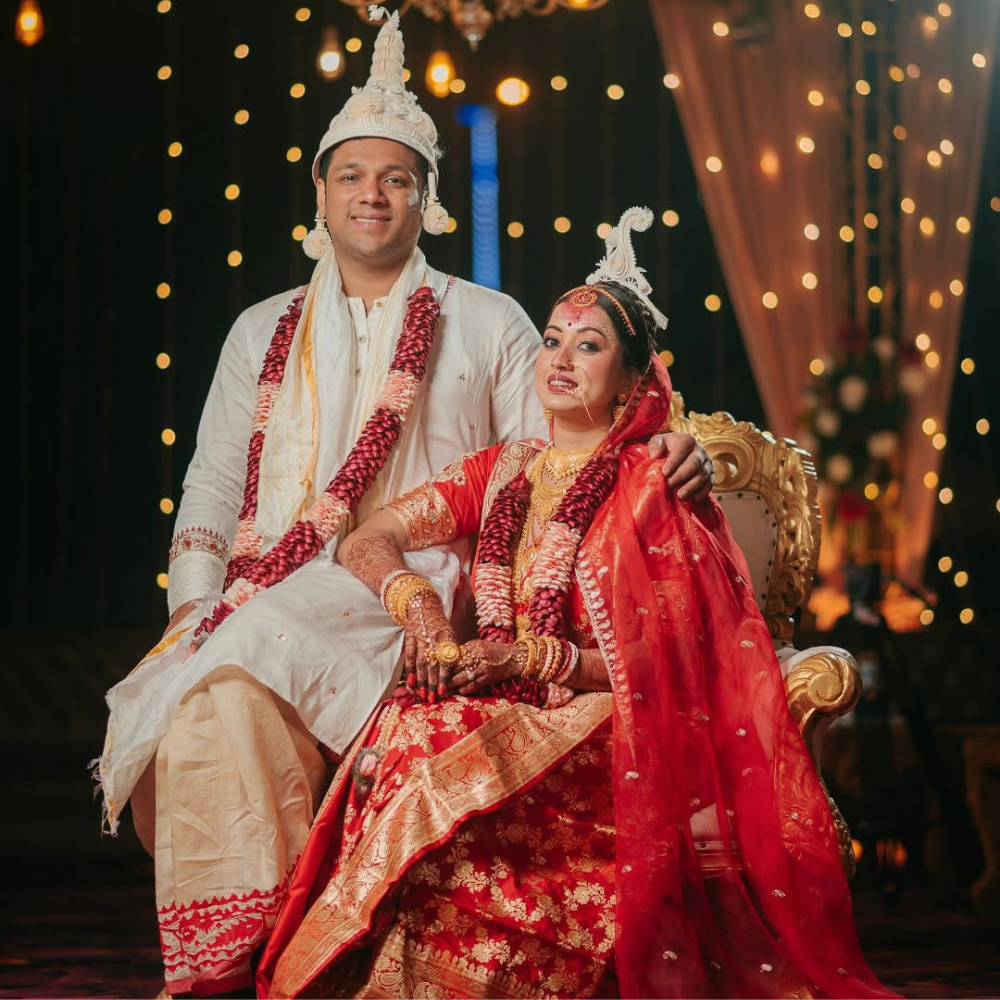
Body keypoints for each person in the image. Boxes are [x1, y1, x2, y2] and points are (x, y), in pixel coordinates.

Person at [94, 13, 712, 998]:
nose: (371, 195)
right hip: (269, 585)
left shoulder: (488, 319)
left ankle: (243, 964)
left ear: (427, 199)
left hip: (428, 589)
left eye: (395, 179)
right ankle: (250, 954)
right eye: (351, 175)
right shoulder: (261, 328)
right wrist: (191, 607)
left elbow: (563, 448)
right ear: (320, 192)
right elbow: (213, 482)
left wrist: (672, 440)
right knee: (203, 689)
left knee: (229, 680)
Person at [255, 209, 898, 1000]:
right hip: (507, 708)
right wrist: (420, 609)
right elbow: (368, 535)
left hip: (612, 725)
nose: (559, 358)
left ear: (632, 379)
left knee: (427, 758)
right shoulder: (501, 468)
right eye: (553, 339)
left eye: (588, 346)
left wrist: (528, 656)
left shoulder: (656, 485)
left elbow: (676, 663)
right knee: (406, 727)